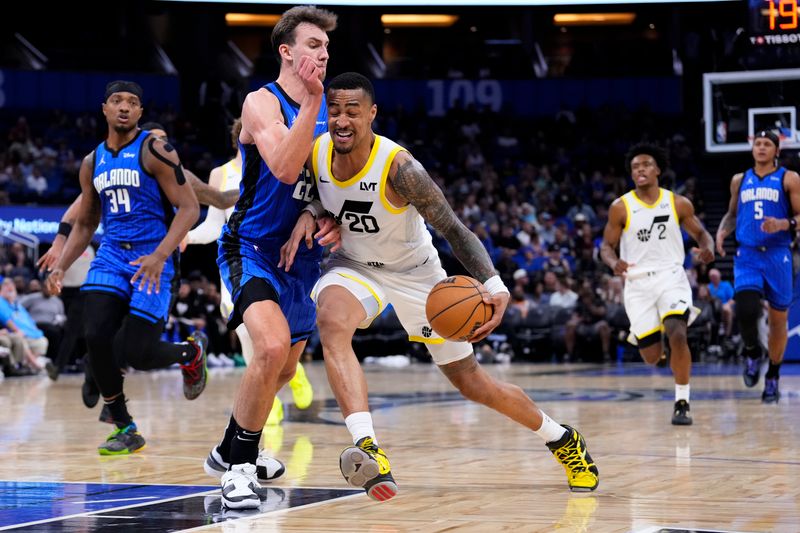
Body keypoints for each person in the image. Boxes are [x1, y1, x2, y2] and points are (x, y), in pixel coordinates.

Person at [280, 72, 599, 501]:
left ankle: (560, 438)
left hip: (417, 273)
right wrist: (311, 211)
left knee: (471, 383)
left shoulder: (401, 168)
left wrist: (495, 283)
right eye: (334, 110)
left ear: (371, 114)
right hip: (354, 265)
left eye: (352, 111)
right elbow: (312, 196)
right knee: (332, 321)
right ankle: (368, 447)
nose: (341, 119)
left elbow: (453, 228)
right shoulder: (315, 151)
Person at [205, 6, 340, 510]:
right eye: (311, 46)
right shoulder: (261, 102)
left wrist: (317, 214)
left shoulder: (336, 112)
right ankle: (239, 468)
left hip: (303, 259)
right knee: (268, 349)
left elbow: (339, 188)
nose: (322, 55)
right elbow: (284, 167)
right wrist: (313, 103)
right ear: (286, 51)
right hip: (252, 246)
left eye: (325, 48)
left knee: (282, 369)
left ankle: (228, 445)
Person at [46, 80, 209, 455]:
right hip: (112, 256)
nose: (124, 107)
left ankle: (191, 353)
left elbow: (189, 208)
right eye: (117, 101)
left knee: (138, 352)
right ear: (104, 108)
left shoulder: (155, 150)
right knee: (96, 332)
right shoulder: (92, 162)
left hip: (154, 257)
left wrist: (160, 255)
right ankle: (124, 425)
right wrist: (62, 265)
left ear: (140, 112)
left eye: (132, 102)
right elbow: (86, 223)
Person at [181, 119, 314, 427]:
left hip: (279, 261)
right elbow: (214, 226)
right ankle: (272, 402)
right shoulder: (221, 174)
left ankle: (295, 374)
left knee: (281, 338)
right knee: (248, 338)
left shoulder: (282, 167)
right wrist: (187, 236)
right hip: (240, 260)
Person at [601, 142, 714, 425]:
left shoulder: (677, 202)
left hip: (670, 277)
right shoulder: (621, 207)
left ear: (658, 169)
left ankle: (682, 401)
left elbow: (701, 234)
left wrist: (707, 247)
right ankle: (657, 346)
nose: (641, 169)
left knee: (677, 333)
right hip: (638, 284)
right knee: (651, 357)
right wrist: (613, 262)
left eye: (646, 165)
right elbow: (606, 246)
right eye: (635, 166)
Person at [715, 130, 800, 403]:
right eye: (758, 144)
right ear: (753, 149)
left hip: (778, 255)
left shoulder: (789, 178)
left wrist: (784, 223)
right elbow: (731, 214)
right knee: (746, 308)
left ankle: (772, 376)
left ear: (776, 150)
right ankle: (752, 353)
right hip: (748, 255)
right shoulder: (739, 180)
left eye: (767, 144)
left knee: (778, 322)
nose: (762, 148)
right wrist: (721, 232)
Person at [707, 268, 734, 338]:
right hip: (712, 307)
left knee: (727, 310)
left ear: (719, 276)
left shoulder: (726, 285)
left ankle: (727, 334)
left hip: (724, 305)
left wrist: (727, 304)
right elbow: (706, 299)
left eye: (715, 276)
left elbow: (733, 298)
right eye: (712, 277)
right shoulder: (709, 287)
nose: (713, 278)